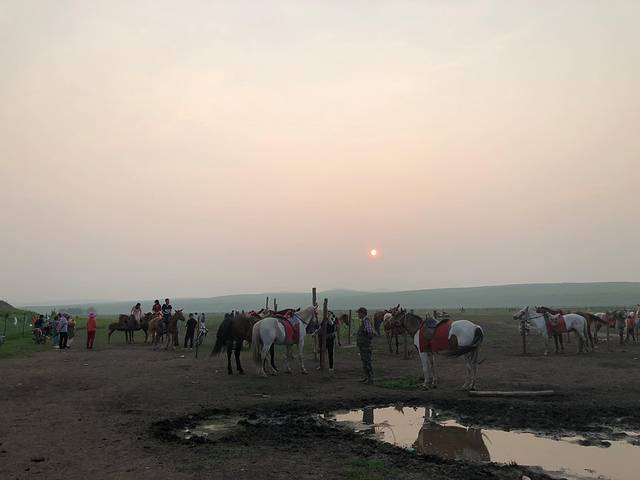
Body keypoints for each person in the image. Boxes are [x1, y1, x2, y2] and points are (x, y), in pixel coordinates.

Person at [356, 307, 374, 384]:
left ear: (362, 313)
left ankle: (370, 379)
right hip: (363, 345)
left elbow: (370, 333)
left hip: (365, 345)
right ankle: (367, 377)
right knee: (365, 362)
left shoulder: (366, 321)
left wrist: (365, 340)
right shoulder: (364, 321)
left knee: (367, 362)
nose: (358, 315)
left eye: (359, 313)